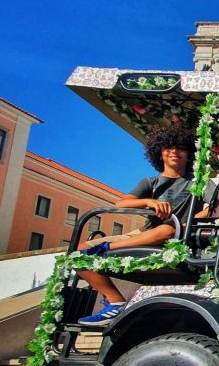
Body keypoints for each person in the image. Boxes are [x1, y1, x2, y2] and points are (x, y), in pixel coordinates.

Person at [77, 125, 211, 326]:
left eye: (181, 148)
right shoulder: (150, 182)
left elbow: (213, 208)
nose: (174, 151)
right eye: (169, 147)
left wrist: (187, 223)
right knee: (79, 252)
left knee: (167, 229)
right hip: (144, 234)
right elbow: (121, 204)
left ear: (190, 153)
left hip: (175, 235)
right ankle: (114, 301)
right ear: (160, 152)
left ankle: (106, 248)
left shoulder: (198, 183)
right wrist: (149, 202)